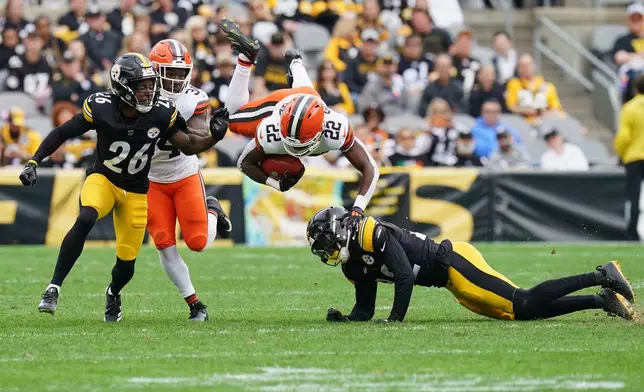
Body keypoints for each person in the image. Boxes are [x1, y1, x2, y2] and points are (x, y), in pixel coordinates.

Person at [19, 53, 230, 322]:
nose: (148, 91)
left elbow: (188, 144)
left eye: (150, 85)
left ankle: (113, 293)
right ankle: (53, 288)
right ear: (123, 86)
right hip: (104, 179)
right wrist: (34, 160)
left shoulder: (162, 111)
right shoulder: (100, 106)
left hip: (137, 190)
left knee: (127, 264)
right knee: (86, 216)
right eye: (141, 86)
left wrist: (215, 135)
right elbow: (63, 132)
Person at [307, 206, 635, 323]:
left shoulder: (371, 233)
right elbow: (365, 308)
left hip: (453, 262)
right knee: (520, 312)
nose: (326, 252)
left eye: (324, 243)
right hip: (449, 282)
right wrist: (349, 319)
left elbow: (405, 276)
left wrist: (394, 320)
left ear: (339, 229)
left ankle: (600, 274)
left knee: (521, 300)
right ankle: (601, 299)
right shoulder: (353, 266)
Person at [220, 18, 379, 223]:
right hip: (283, 103)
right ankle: (247, 58)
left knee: (308, 91)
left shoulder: (335, 128)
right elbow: (244, 163)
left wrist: (358, 209)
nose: (295, 151)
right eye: (291, 143)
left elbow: (370, 167)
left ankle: (295, 61)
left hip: (310, 97)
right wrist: (276, 184)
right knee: (230, 119)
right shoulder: (272, 130)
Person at [148, 39, 232, 321]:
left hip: (183, 172)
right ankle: (195, 303)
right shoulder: (140, 95)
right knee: (162, 240)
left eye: (179, 72)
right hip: (151, 179)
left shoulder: (194, 98)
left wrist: (213, 136)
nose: (174, 79)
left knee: (198, 242)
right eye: (169, 72)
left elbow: (192, 141)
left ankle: (212, 207)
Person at [614, 74, 644, 241]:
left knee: (634, 197)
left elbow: (624, 136)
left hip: (634, 157)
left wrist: (620, 152)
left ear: (636, 89)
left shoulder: (630, 108)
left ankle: (632, 233)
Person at [505, 54, 563, 124]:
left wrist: (543, 113)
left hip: (544, 122)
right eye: (522, 65)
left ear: (534, 65)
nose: (525, 68)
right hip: (523, 123)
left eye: (528, 65)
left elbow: (555, 107)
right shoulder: (513, 84)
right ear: (518, 68)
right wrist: (527, 111)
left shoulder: (547, 85)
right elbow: (511, 106)